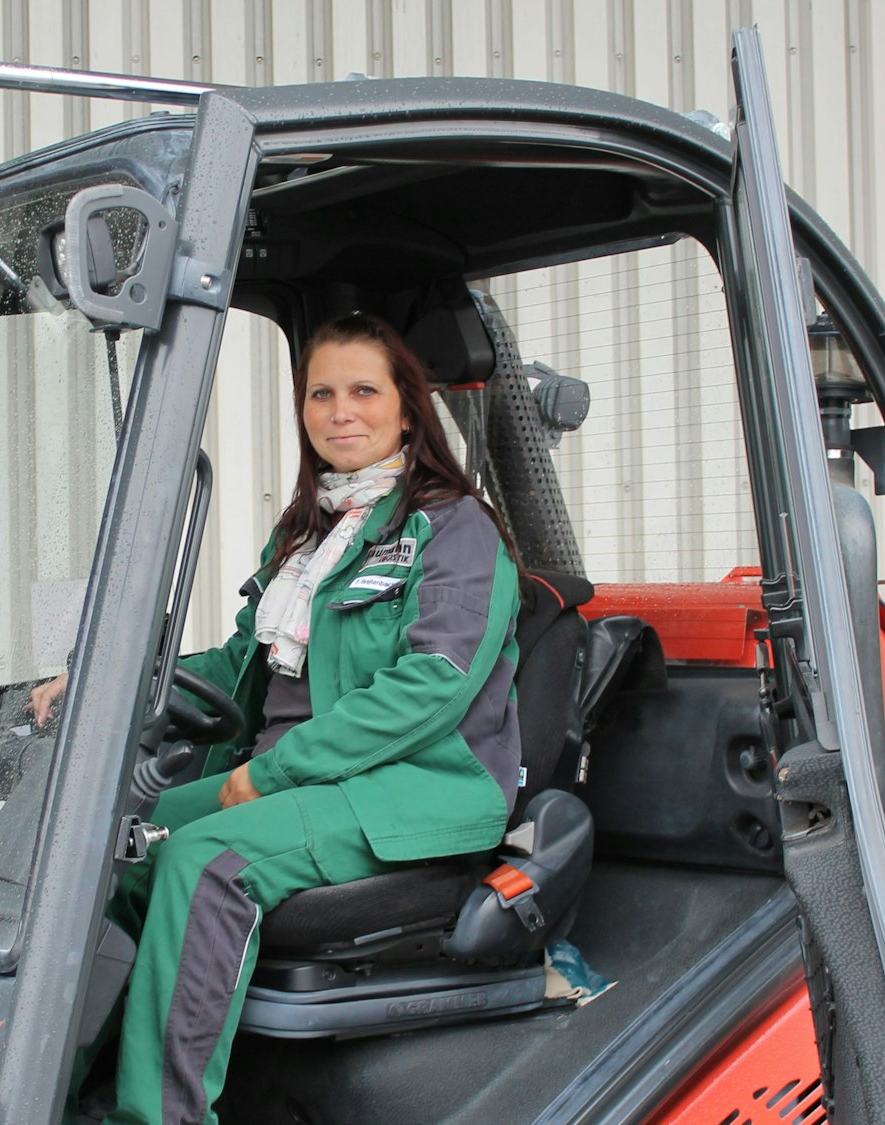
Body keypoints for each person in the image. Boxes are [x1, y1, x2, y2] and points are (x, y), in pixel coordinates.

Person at [32, 313, 522, 1125]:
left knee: (204, 859)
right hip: (301, 777)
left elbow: (429, 686)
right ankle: (52, 1090)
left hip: (410, 789)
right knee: (101, 842)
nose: (341, 411)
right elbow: (240, 668)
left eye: (365, 390)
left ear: (408, 408)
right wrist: (100, 683)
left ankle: (158, 1117)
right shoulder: (309, 535)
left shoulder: (454, 529)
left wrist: (271, 771)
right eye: (321, 393)